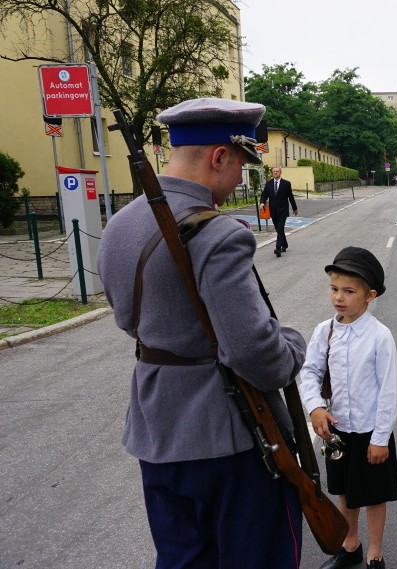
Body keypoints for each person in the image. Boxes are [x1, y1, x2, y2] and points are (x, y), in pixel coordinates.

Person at [97, 98, 307, 567]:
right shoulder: (220, 234)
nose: (240, 179)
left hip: (157, 433)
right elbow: (257, 356)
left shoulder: (120, 226)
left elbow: (128, 320)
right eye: (241, 164)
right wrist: (292, 344)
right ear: (219, 156)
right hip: (230, 441)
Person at [299, 247, 397, 569]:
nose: (338, 297)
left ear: (370, 295)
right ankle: (350, 545)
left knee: (373, 495)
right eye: (334, 289)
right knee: (344, 491)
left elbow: (388, 390)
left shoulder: (380, 336)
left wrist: (380, 438)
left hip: (371, 431)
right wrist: (315, 407)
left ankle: (375, 553)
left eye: (349, 291)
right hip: (338, 431)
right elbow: (309, 372)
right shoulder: (324, 331)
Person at [260, 165, 298, 257]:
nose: (275, 173)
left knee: (280, 228)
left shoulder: (286, 184)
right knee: (278, 229)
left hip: (283, 210)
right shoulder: (269, 184)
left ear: (280, 172)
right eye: (274, 171)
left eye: (277, 171)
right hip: (273, 211)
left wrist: (294, 208)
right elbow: (264, 195)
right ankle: (284, 244)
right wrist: (262, 203)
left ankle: (278, 248)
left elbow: (291, 196)